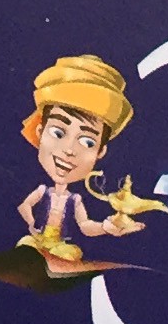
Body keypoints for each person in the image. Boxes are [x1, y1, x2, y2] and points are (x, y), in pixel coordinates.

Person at [13, 55, 151, 266]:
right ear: (40, 132)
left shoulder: (74, 200)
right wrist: (32, 223)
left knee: (70, 254)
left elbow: (85, 226)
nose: (69, 150)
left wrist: (106, 227)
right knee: (26, 246)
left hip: (59, 246)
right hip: (37, 240)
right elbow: (24, 206)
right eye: (58, 133)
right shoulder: (42, 191)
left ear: (100, 152)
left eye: (87, 142)